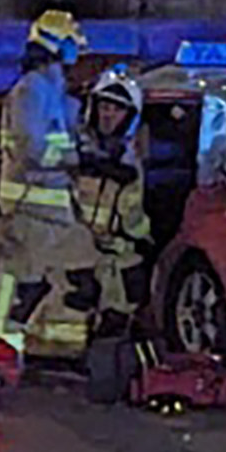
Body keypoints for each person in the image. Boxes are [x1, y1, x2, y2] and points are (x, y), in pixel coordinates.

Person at [0, 10, 100, 356]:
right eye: (71, 44)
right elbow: (32, 149)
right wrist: (78, 160)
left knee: (48, 284)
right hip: (28, 209)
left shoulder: (51, 90)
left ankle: (31, 349)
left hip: (51, 211)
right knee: (20, 287)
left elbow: (63, 139)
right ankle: (1, 351)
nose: (76, 52)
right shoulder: (30, 91)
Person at [76, 67, 153, 328]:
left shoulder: (133, 164)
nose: (108, 115)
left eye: (117, 109)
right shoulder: (73, 151)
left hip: (115, 262)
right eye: (104, 106)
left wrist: (142, 240)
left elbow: (133, 216)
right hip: (75, 254)